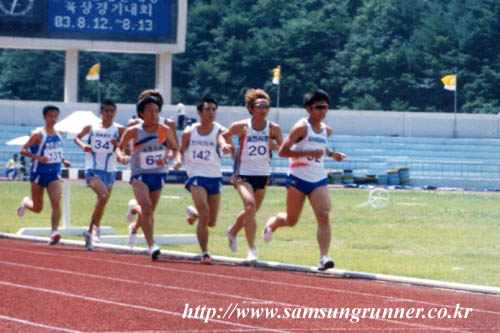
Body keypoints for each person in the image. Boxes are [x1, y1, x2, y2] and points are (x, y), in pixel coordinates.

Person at [262, 89, 346, 270]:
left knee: (323, 215)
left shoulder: (326, 130)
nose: (323, 111)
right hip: (298, 178)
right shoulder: (301, 127)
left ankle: (324, 258)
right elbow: (283, 151)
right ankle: (274, 223)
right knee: (291, 220)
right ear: (309, 109)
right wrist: (308, 152)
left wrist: (333, 154)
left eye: (326, 107)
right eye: (319, 107)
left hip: (318, 178)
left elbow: (321, 147)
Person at [116, 90, 178, 261]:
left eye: (156, 111)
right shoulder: (134, 131)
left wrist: (168, 158)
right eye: (150, 111)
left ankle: (134, 209)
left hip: (158, 173)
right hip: (139, 173)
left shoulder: (165, 129)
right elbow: (120, 147)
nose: (154, 114)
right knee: (148, 208)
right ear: (141, 113)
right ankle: (152, 245)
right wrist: (121, 156)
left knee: (148, 211)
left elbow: (174, 149)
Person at [223, 89, 283, 263]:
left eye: (266, 106)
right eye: (259, 106)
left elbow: (286, 149)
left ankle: (232, 231)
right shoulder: (241, 126)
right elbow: (223, 135)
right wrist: (228, 147)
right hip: (243, 173)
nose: (263, 109)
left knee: (252, 210)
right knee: (250, 206)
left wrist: (276, 148)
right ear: (251, 108)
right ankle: (251, 249)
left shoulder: (273, 128)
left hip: (262, 174)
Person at [173, 97, 232, 264]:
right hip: (196, 175)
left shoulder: (219, 130)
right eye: (207, 110)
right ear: (199, 112)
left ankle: (194, 213)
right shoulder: (189, 132)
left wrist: (224, 146)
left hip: (214, 176)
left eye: (214, 109)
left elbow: (222, 139)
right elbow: (181, 150)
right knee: (206, 213)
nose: (211, 113)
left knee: (211, 222)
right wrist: (178, 160)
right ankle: (205, 253)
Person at [17, 105, 72, 245]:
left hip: (54, 173)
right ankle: (25, 203)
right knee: (37, 208)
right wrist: (38, 157)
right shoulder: (38, 134)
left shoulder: (59, 133)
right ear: (44, 117)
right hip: (39, 174)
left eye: (55, 116)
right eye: (50, 116)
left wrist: (64, 160)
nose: (53, 119)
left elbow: (57, 152)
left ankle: (54, 232)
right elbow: (22, 150)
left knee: (56, 201)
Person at [74, 100, 124, 250]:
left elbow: (128, 150)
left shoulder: (120, 130)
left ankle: (89, 233)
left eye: (112, 111)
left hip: (110, 170)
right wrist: (84, 145)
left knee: (101, 203)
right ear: (100, 112)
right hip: (93, 169)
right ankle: (96, 229)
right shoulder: (91, 128)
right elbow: (76, 137)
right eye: (106, 110)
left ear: (115, 113)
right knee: (103, 197)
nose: (109, 114)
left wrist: (119, 144)